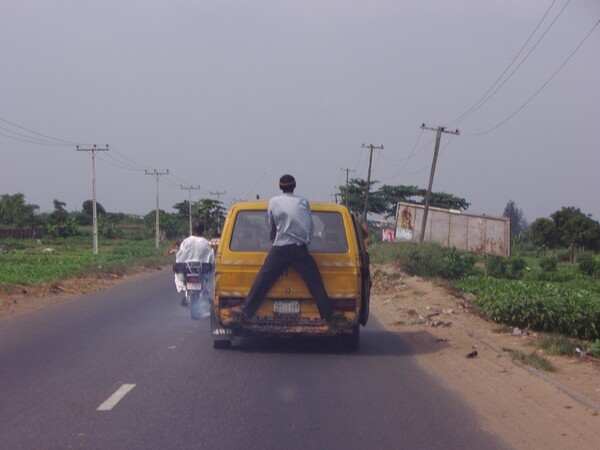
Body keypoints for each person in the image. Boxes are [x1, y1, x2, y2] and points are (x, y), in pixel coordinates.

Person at [233, 174, 341, 322]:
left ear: (280, 187)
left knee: (263, 280)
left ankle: (246, 311)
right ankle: (327, 314)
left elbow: (271, 223)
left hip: (280, 247)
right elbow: (309, 224)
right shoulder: (303, 202)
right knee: (315, 282)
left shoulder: (273, 201)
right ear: (294, 186)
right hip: (299, 248)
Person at [174, 222, 214, 309]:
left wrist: (179, 263)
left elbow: (180, 255)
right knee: (212, 276)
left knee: (178, 276)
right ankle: (206, 293)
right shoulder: (206, 243)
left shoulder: (186, 241)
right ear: (203, 231)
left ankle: (184, 292)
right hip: (201, 269)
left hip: (186, 268)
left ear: (193, 229)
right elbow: (211, 257)